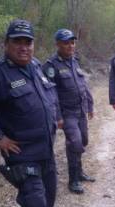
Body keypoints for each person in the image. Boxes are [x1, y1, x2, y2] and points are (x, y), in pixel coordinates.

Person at [0, 19, 65, 207]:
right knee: (35, 203)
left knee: (49, 197)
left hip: (46, 151)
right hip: (23, 155)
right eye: (17, 42)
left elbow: (49, 98)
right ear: (6, 44)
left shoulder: (35, 66)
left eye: (28, 42)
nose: (23, 47)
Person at [43, 29, 95, 195]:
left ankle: (79, 171)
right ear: (58, 44)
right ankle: (73, 180)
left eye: (72, 42)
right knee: (75, 142)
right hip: (67, 113)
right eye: (66, 42)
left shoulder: (75, 61)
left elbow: (83, 85)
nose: (70, 46)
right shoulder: (51, 66)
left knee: (83, 141)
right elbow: (50, 94)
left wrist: (90, 105)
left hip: (81, 110)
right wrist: (57, 116)